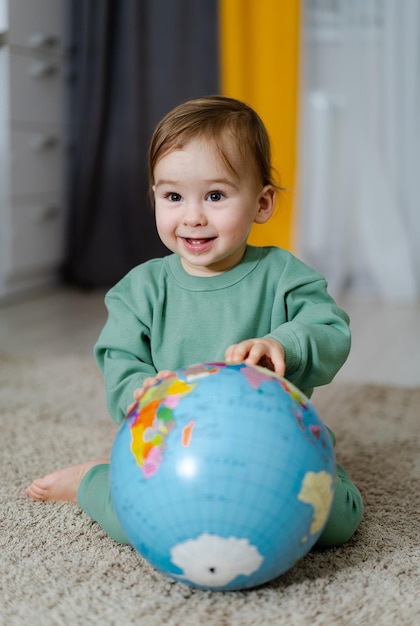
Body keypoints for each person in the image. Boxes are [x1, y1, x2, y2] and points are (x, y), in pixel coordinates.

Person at [25, 95, 363, 549]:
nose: (193, 216)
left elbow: (331, 329)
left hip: (271, 448)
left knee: (335, 524)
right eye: (173, 196)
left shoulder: (284, 275)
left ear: (262, 203)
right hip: (172, 449)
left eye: (216, 195)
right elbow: (119, 356)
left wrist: (285, 343)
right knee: (135, 524)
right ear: (155, 199)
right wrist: (139, 391)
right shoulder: (141, 288)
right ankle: (93, 482)